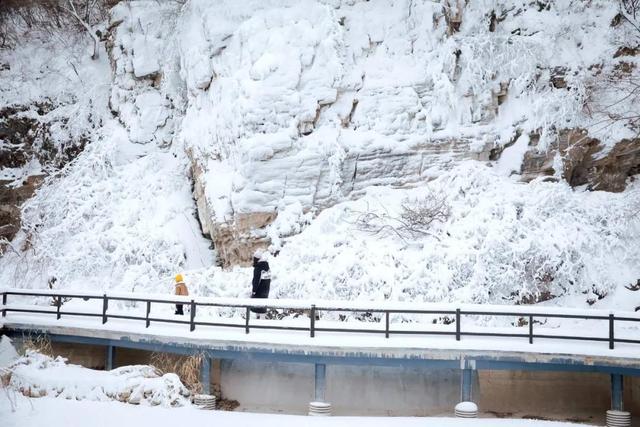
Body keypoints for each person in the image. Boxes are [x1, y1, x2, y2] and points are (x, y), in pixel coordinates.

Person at [251, 249, 271, 318]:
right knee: (262, 308)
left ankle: (258, 323)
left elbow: (256, 280)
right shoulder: (267, 267)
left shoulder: (258, 268)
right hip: (266, 290)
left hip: (259, 291)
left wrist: (254, 290)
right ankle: (262, 323)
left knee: (257, 308)